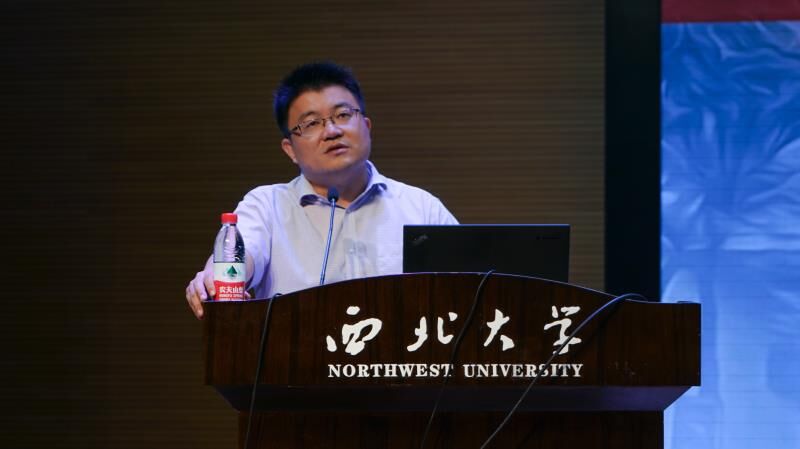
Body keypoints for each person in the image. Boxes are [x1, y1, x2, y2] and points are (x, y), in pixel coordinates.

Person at [185, 62, 457, 319]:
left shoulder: (421, 208)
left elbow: (467, 290)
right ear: (290, 149)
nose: (332, 131)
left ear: (367, 127)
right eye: (312, 123)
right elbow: (241, 254)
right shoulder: (267, 206)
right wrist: (214, 278)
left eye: (343, 115)